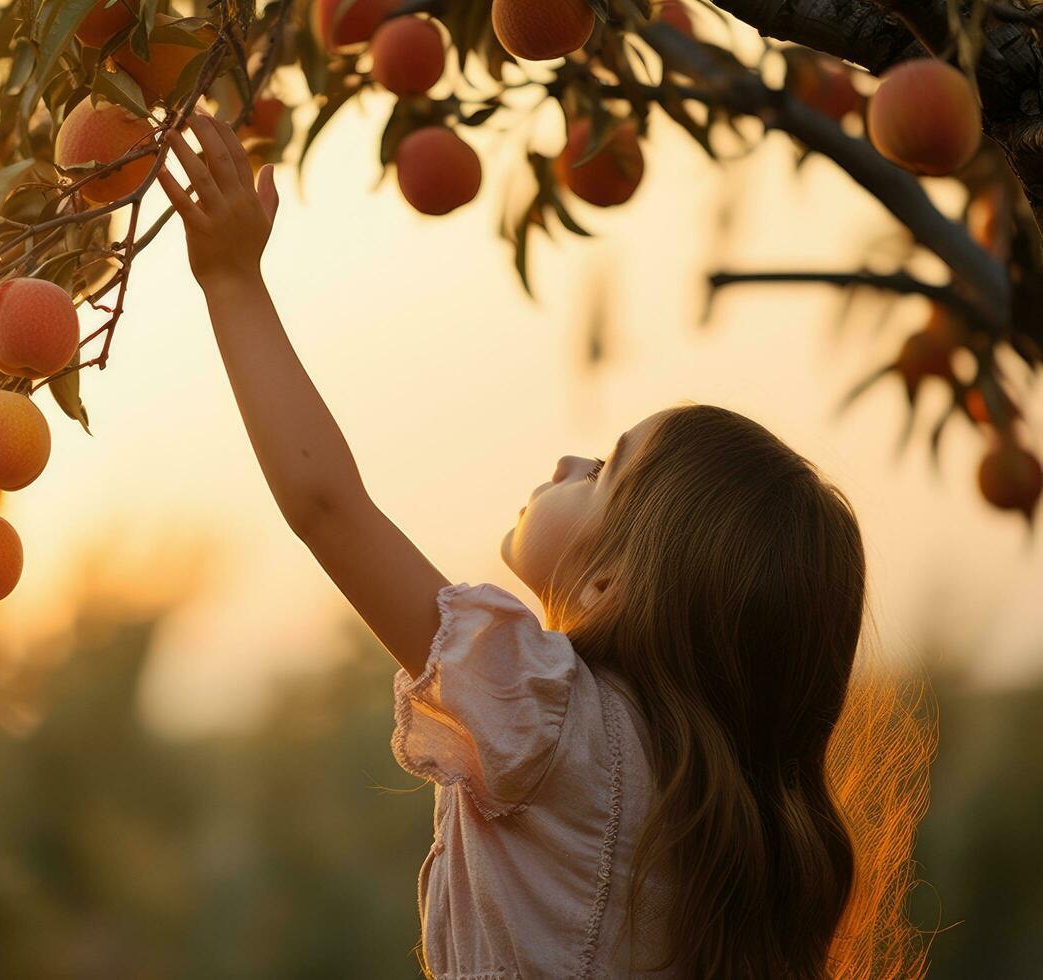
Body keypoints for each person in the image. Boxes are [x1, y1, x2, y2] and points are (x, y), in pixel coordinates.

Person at [157, 111, 933, 979]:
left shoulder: (549, 722)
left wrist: (232, 282)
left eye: (605, 470)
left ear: (611, 583)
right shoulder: (717, 825)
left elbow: (328, 506)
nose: (569, 457)